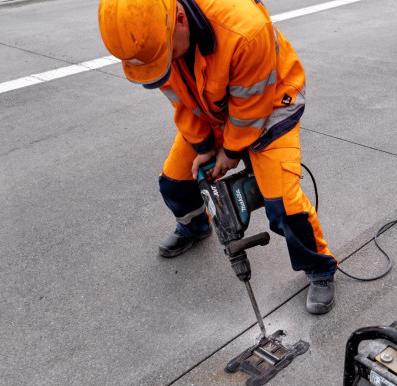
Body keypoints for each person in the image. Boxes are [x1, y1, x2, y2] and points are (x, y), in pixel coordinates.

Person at [97, 0, 338, 314]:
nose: (164, 63)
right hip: (214, 112)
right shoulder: (151, 42)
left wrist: (232, 152)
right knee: (174, 183)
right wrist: (204, 147)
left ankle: (320, 269)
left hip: (270, 108)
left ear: (180, 19)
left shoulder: (244, 29)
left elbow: (252, 107)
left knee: (284, 205)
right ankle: (195, 227)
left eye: (166, 55)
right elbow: (182, 101)